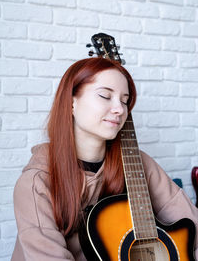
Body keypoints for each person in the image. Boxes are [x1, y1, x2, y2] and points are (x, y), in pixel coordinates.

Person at [11, 57, 198, 261]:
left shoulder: (140, 163)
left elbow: (191, 226)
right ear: (71, 102)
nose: (120, 109)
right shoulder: (36, 181)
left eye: (125, 101)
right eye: (105, 96)